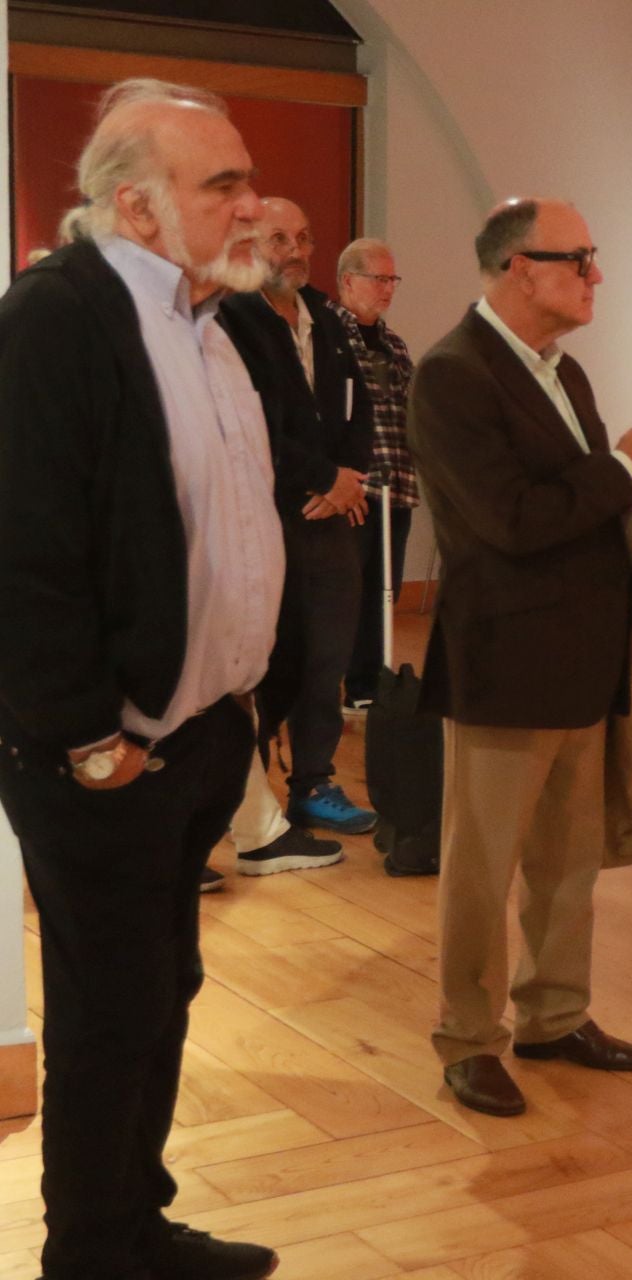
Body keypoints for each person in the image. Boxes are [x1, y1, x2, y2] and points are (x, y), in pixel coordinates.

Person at [0, 77, 281, 1280]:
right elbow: (27, 543)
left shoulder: (213, 320)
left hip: (200, 733)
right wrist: (82, 735)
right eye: (223, 183)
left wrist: (251, 707)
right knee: (113, 1008)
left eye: (246, 178)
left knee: (162, 984)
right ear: (136, 203)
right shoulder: (58, 316)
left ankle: (135, 1223)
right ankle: (89, 1253)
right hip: (105, 750)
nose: (253, 204)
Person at [410, 197, 632, 1117]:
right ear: (520, 267)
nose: (595, 275)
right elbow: (511, 522)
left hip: (584, 653)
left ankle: (554, 1013)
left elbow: (581, 506)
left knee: (569, 858)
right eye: (580, 259)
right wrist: (627, 469)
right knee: (484, 867)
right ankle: (467, 1036)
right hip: (507, 661)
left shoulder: (565, 373)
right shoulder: (453, 375)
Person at [220, 196, 378, 838]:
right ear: (251, 246)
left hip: (331, 514)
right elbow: (248, 423)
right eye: (280, 237)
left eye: (305, 236)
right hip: (265, 516)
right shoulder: (233, 318)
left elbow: (360, 410)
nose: (295, 249)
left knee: (328, 656)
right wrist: (321, 478)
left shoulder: (326, 319)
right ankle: (248, 800)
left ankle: (315, 780)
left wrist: (348, 481)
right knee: (268, 660)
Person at [333, 237, 418, 710]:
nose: (388, 289)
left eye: (392, 280)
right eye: (378, 279)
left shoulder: (395, 345)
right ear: (349, 281)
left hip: (397, 484)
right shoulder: (327, 336)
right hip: (352, 488)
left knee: (385, 590)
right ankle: (335, 685)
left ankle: (368, 685)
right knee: (348, 589)